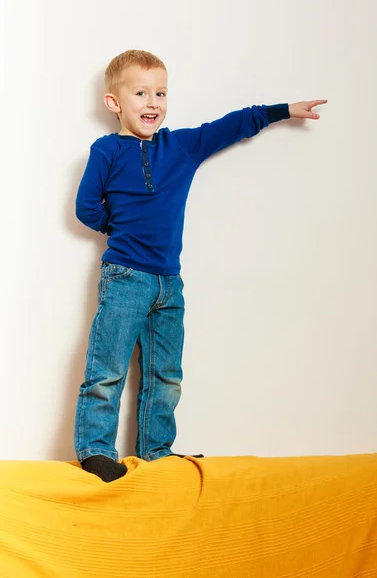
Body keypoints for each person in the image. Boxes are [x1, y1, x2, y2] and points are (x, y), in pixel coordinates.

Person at [74, 49, 327, 482]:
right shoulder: (107, 150)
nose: (153, 102)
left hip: (169, 284)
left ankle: (156, 451)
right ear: (114, 103)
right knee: (108, 368)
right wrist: (118, 227)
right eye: (140, 93)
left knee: (165, 375)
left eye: (161, 93)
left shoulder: (182, 146)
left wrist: (282, 111)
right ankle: (96, 450)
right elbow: (85, 208)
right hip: (125, 278)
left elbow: (231, 126)